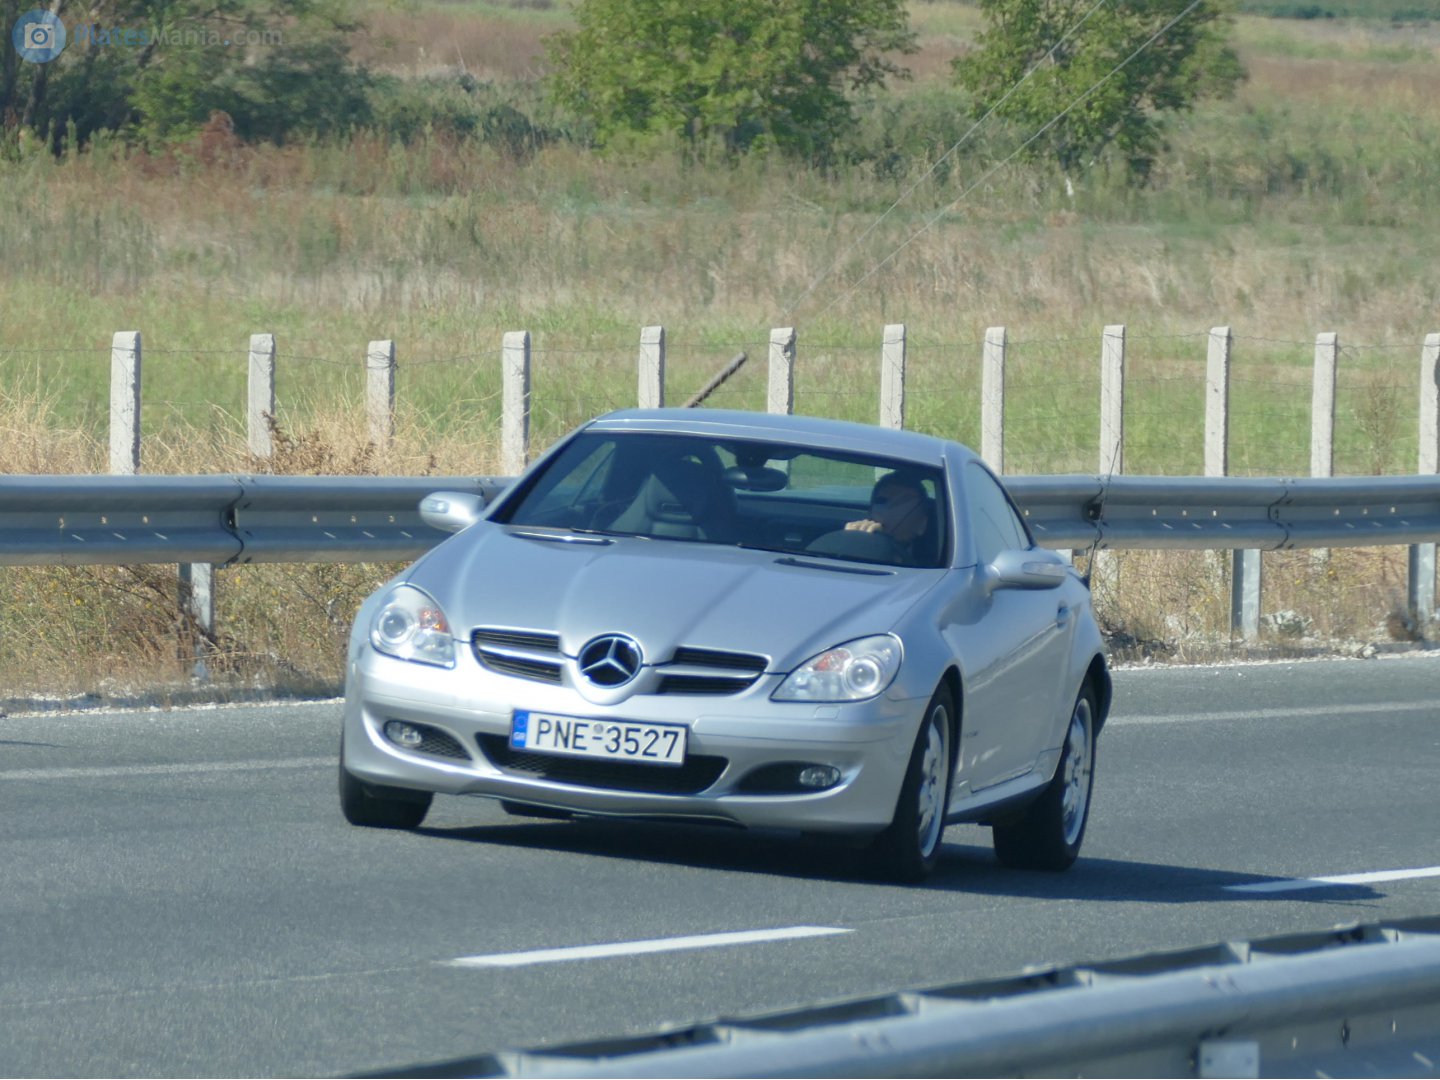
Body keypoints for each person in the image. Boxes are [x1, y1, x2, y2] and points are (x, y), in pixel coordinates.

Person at [845, 470, 933, 565]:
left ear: (921, 525)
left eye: (902, 504)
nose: (887, 512)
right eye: (882, 501)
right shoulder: (852, 542)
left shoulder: (931, 567)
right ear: (870, 512)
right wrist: (849, 542)